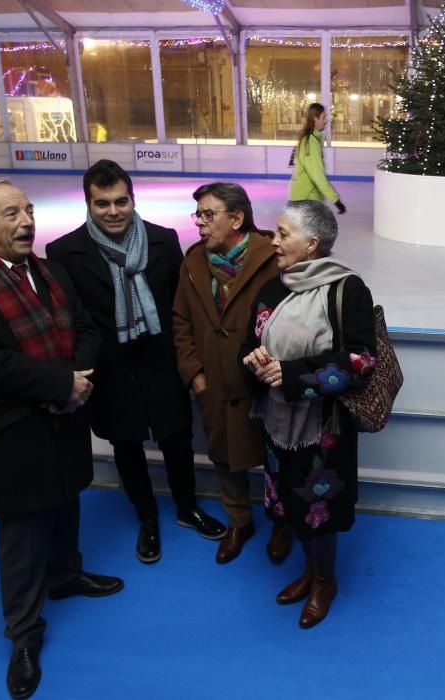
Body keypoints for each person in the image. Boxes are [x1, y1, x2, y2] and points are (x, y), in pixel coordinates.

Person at [0, 179, 123, 699]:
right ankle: (24, 632)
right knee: (20, 530)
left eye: (29, 210)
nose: (27, 221)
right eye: (11, 213)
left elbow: (85, 328)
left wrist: (79, 377)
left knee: (66, 501)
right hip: (13, 430)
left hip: (65, 416)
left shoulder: (50, 271)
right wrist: (61, 384)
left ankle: (66, 574)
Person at [46, 160, 226, 566]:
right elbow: (71, 320)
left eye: (121, 201)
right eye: (102, 203)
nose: (113, 211)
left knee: (177, 439)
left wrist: (191, 360)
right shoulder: (64, 253)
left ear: (132, 199)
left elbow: (185, 307)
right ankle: (146, 517)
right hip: (110, 370)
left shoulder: (164, 240)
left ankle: (186, 507)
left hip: (161, 360)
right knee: (126, 446)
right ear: (89, 204)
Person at [241, 199, 376, 628]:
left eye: (283, 234)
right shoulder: (273, 286)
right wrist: (253, 358)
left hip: (322, 428)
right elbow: (251, 339)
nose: (274, 241)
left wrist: (294, 373)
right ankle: (309, 571)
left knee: (318, 509)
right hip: (278, 423)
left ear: (312, 244)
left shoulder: (347, 290)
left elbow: (361, 361)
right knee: (292, 503)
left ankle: (325, 581)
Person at [172, 182, 292, 565]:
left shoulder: (272, 258)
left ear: (237, 218)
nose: (201, 224)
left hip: (264, 386)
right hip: (215, 382)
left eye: (209, 215)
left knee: (278, 457)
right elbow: (181, 321)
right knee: (224, 458)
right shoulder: (192, 262)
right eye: (199, 216)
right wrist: (194, 373)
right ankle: (240, 521)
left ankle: (282, 522)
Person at [289, 102, 346, 214]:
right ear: (315, 119)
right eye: (323, 117)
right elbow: (317, 175)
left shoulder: (312, 139)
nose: (326, 121)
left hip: (308, 199)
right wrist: (336, 200)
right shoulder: (310, 142)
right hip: (305, 201)